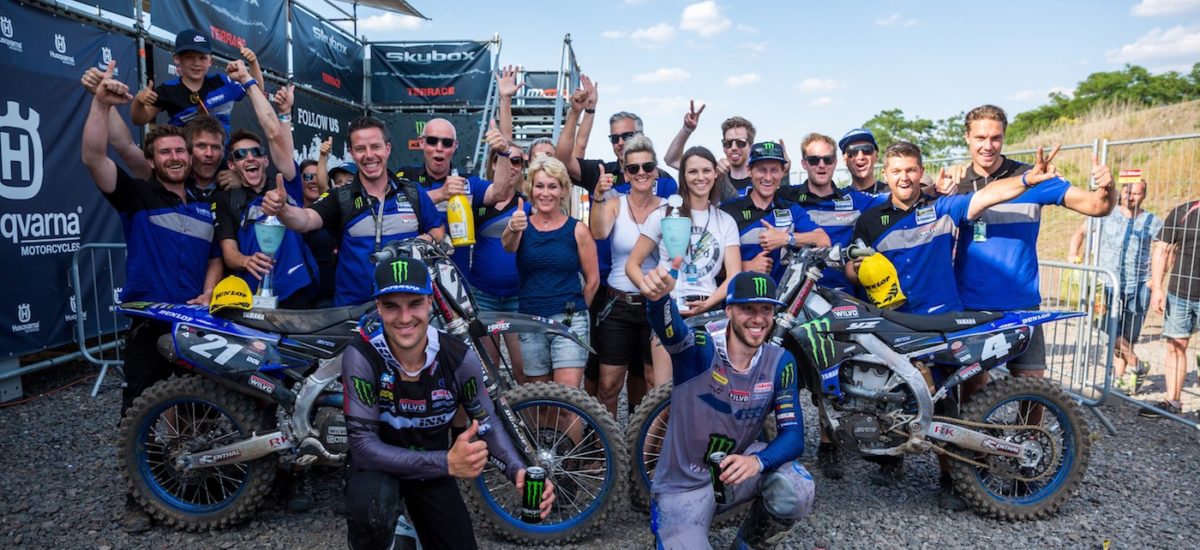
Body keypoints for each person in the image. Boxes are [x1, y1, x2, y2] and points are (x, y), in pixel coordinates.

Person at [846, 141, 1063, 507]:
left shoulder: (941, 208)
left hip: (941, 319)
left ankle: (951, 476)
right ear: (885, 174)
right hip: (891, 321)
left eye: (911, 169)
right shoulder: (870, 219)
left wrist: (1026, 179)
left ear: (921, 171)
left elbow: (988, 195)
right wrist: (862, 267)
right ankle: (890, 458)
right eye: (896, 170)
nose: (904, 177)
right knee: (889, 395)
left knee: (946, 401)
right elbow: (851, 270)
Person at [81, 65, 223, 533]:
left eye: (181, 150)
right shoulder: (137, 196)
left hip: (196, 318)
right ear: (153, 159)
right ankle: (137, 498)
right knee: (139, 407)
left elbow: (210, 257)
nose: (177, 157)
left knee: (196, 404)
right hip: (149, 320)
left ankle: (188, 477)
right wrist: (102, 104)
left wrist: (208, 290)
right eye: (166, 152)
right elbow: (95, 156)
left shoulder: (206, 201)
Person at [342, 258, 554, 549]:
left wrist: (518, 471)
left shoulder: (458, 357)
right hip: (382, 466)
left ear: (430, 302)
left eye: (414, 303)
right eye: (392, 306)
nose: (404, 318)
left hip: (432, 469)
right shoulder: (362, 355)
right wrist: (447, 461)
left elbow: (487, 425)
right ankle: (392, 536)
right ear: (378, 307)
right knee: (370, 508)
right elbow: (363, 449)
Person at [642, 263, 814, 549]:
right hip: (681, 488)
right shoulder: (702, 349)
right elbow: (670, 330)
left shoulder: (781, 361)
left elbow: (794, 436)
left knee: (798, 487)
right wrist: (658, 299)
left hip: (733, 476)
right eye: (749, 309)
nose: (758, 319)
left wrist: (756, 461)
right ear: (729, 310)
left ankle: (746, 545)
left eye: (766, 310)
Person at [943, 104, 1115, 384]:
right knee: (974, 386)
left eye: (995, 138)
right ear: (967, 138)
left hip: (1022, 304)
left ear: (1003, 137)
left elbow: (1097, 206)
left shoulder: (1035, 177)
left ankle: (1032, 432)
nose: (988, 146)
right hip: (971, 305)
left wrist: (1108, 187)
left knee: (1033, 384)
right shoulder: (956, 184)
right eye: (980, 138)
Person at [261, 116, 446, 306]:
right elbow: (306, 220)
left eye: (375, 147)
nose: (369, 155)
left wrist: (426, 240)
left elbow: (438, 230)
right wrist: (282, 209)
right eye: (360, 149)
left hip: (404, 306)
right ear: (351, 153)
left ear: (387, 149)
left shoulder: (413, 192)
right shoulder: (341, 197)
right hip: (353, 310)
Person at [213, 79, 319, 309]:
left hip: (297, 293)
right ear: (231, 165)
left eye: (256, 152)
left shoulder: (287, 184)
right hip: (252, 299)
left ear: (265, 159)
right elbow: (229, 253)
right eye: (241, 154)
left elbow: (274, 136)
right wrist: (246, 260)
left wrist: (283, 112)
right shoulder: (225, 199)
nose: (250, 158)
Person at [503, 156, 598, 388]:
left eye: (553, 186)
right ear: (530, 189)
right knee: (540, 401)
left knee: (568, 399)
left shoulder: (577, 229)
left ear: (563, 190)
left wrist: (575, 309)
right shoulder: (520, 224)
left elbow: (593, 279)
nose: (546, 193)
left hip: (568, 321)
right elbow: (508, 247)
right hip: (531, 320)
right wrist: (513, 227)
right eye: (540, 186)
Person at [589, 135, 669, 411]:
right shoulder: (614, 203)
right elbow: (598, 232)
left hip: (656, 304)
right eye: (633, 168)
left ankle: (645, 451)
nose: (641, 173)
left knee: (652, 382)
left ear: (656, 170)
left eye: (647, 167)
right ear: (625, 173)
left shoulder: (668, 207)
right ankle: (606, 450)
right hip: (619, 303)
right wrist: (598, 196)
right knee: (609, 384)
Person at [1068, 175, 1161, 393]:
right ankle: (1138, 364)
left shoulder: (1153, 222)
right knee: (1105, 329)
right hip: (1106, 283)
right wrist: (1073, 254)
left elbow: (1164, 251)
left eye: (1137, 193)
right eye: (1128, 192)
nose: (1131, 197)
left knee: (1128, 335)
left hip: (1137, 285)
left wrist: (1155, 279)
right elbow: (1079, 234)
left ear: (1144, 195)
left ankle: (1117, 380)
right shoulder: (1105, 215)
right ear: (1122, 192)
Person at [628, 146, 742, 316]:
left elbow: (734, 275)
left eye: (706, 171)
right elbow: (632, 265)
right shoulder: (663, 214)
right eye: (693, 172)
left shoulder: (726, 221)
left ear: (715, 173)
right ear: (684, 176)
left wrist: (708, 304)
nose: (701, 177)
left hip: (708, 309)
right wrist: (652, 291)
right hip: (669, 306)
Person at [775, 133, 884, 294]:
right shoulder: (787, 196)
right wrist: (780, 175)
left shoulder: (854, 200)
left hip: (843, 296)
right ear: (804, 164)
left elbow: (898, 197)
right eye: (813, 160)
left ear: (835, 163)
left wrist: (931, 190)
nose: (821, 165)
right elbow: (752, 196)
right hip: (798, 297)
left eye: (828, 159)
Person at [719, 141, 830, 283]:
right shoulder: (728, 211)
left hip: (784, 303)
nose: (768, 177)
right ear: (749, 170)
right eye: (761, 170)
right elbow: (711, 266)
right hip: (740, 303)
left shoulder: (792, 209)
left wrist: (786, 239)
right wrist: (747, 266)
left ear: (783, 172)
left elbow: (823, 240)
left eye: (774, 170)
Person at [469, 124, 527, 381]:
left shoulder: (529, 202)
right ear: (495, 164)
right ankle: (492, 421)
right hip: (484, 296)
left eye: (519, 162)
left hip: (518, 297)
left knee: (523, 368)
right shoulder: (479, 199)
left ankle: (527, 420)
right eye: (508, 159)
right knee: (487, 368)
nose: (513, 166)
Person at [131, 30, 264, 135]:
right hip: (186, 161)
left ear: (210, 61)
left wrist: (253, 63)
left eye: (202, 58)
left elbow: (256, 91)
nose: (196, 63)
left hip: (222, 158)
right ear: (177, 59)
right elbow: (140, 119)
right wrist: (138, 101)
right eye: (189, 57)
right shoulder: (167, 90)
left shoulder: (221, 82)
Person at [662, 104, 790, 201]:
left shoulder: (763, 179)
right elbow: (671, 160)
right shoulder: (712, 173)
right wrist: (687, 129)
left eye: (740, 143)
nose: (733, 148)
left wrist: (783, 174)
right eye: (728, 143)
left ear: (751, 145)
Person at [1146, 198, 1200, 417]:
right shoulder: (1183, 211)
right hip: (1180, 293)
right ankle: (1173, 402)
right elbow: (1162, 249)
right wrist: (1157, 287)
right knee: (1175, 345)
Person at [300, 158, 338, 308]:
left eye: (319, 176)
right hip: (298, 294)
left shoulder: (336, 210)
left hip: (328, 296)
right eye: (308, 177)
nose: (314, 181)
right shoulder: (289, 211)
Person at [839, 128, 887, 194]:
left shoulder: (893, 196)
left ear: (876, 156)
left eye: (867, 150)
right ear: (845, 160)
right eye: (852, 151)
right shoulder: (838, 200)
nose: (860, 157)